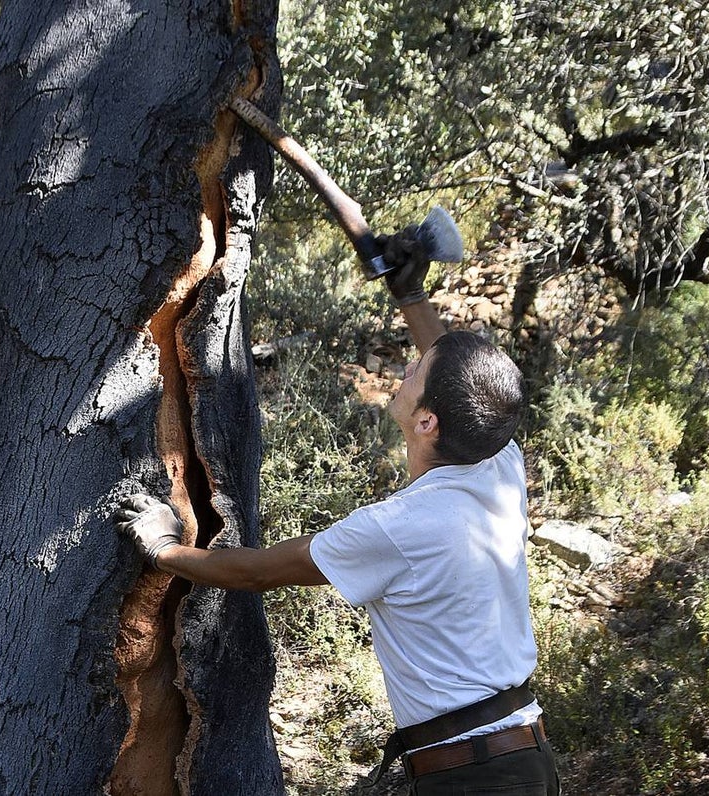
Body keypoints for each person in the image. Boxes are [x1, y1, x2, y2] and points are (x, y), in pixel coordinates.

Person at [115, 228, 561, 794]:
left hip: (476, 780)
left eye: (416, 373)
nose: (406, 369)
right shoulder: (499, 464)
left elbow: (259, 572)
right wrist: (409, 295)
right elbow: (462, 382)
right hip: (521, 758)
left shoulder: (398, 528)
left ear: (428, 421)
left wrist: (164, 548)